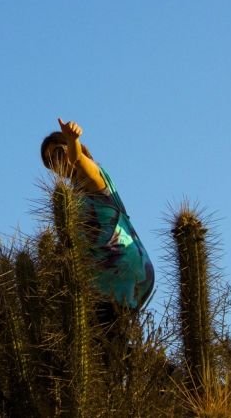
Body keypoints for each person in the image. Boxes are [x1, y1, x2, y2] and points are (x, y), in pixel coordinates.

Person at [40, 118, 155, 329]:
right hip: (104, 279)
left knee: (105, 338)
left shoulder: (94, 177)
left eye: (58, 153)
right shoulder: (70, 198)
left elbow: (76, 160)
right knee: (108, 343)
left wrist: (72, 140)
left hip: (119, 269)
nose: (56, 164)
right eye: (50, 163)